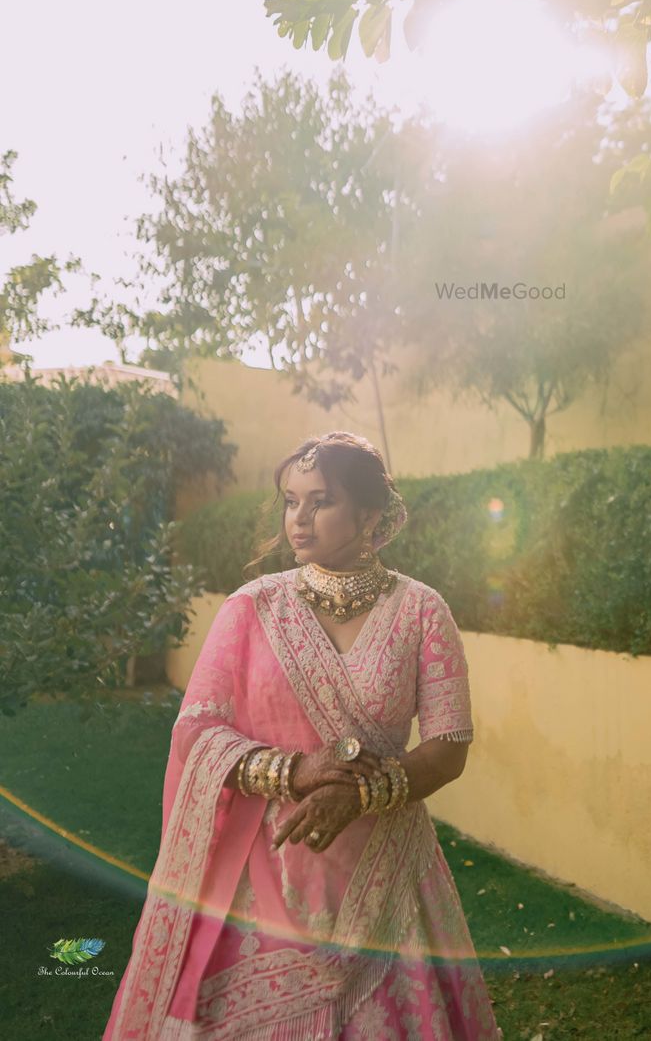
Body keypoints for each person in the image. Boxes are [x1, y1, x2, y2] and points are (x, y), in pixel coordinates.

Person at [103, 430, 502, 1040]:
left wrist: (362, 794)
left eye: (321, 501)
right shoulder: (252, 607)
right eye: (292, 501)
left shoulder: (422, 611)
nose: (301, 518)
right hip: (263, 875)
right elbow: (196, 729)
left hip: (385, 871)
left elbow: (448, 747)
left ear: (369, 514)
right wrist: (292, 771)